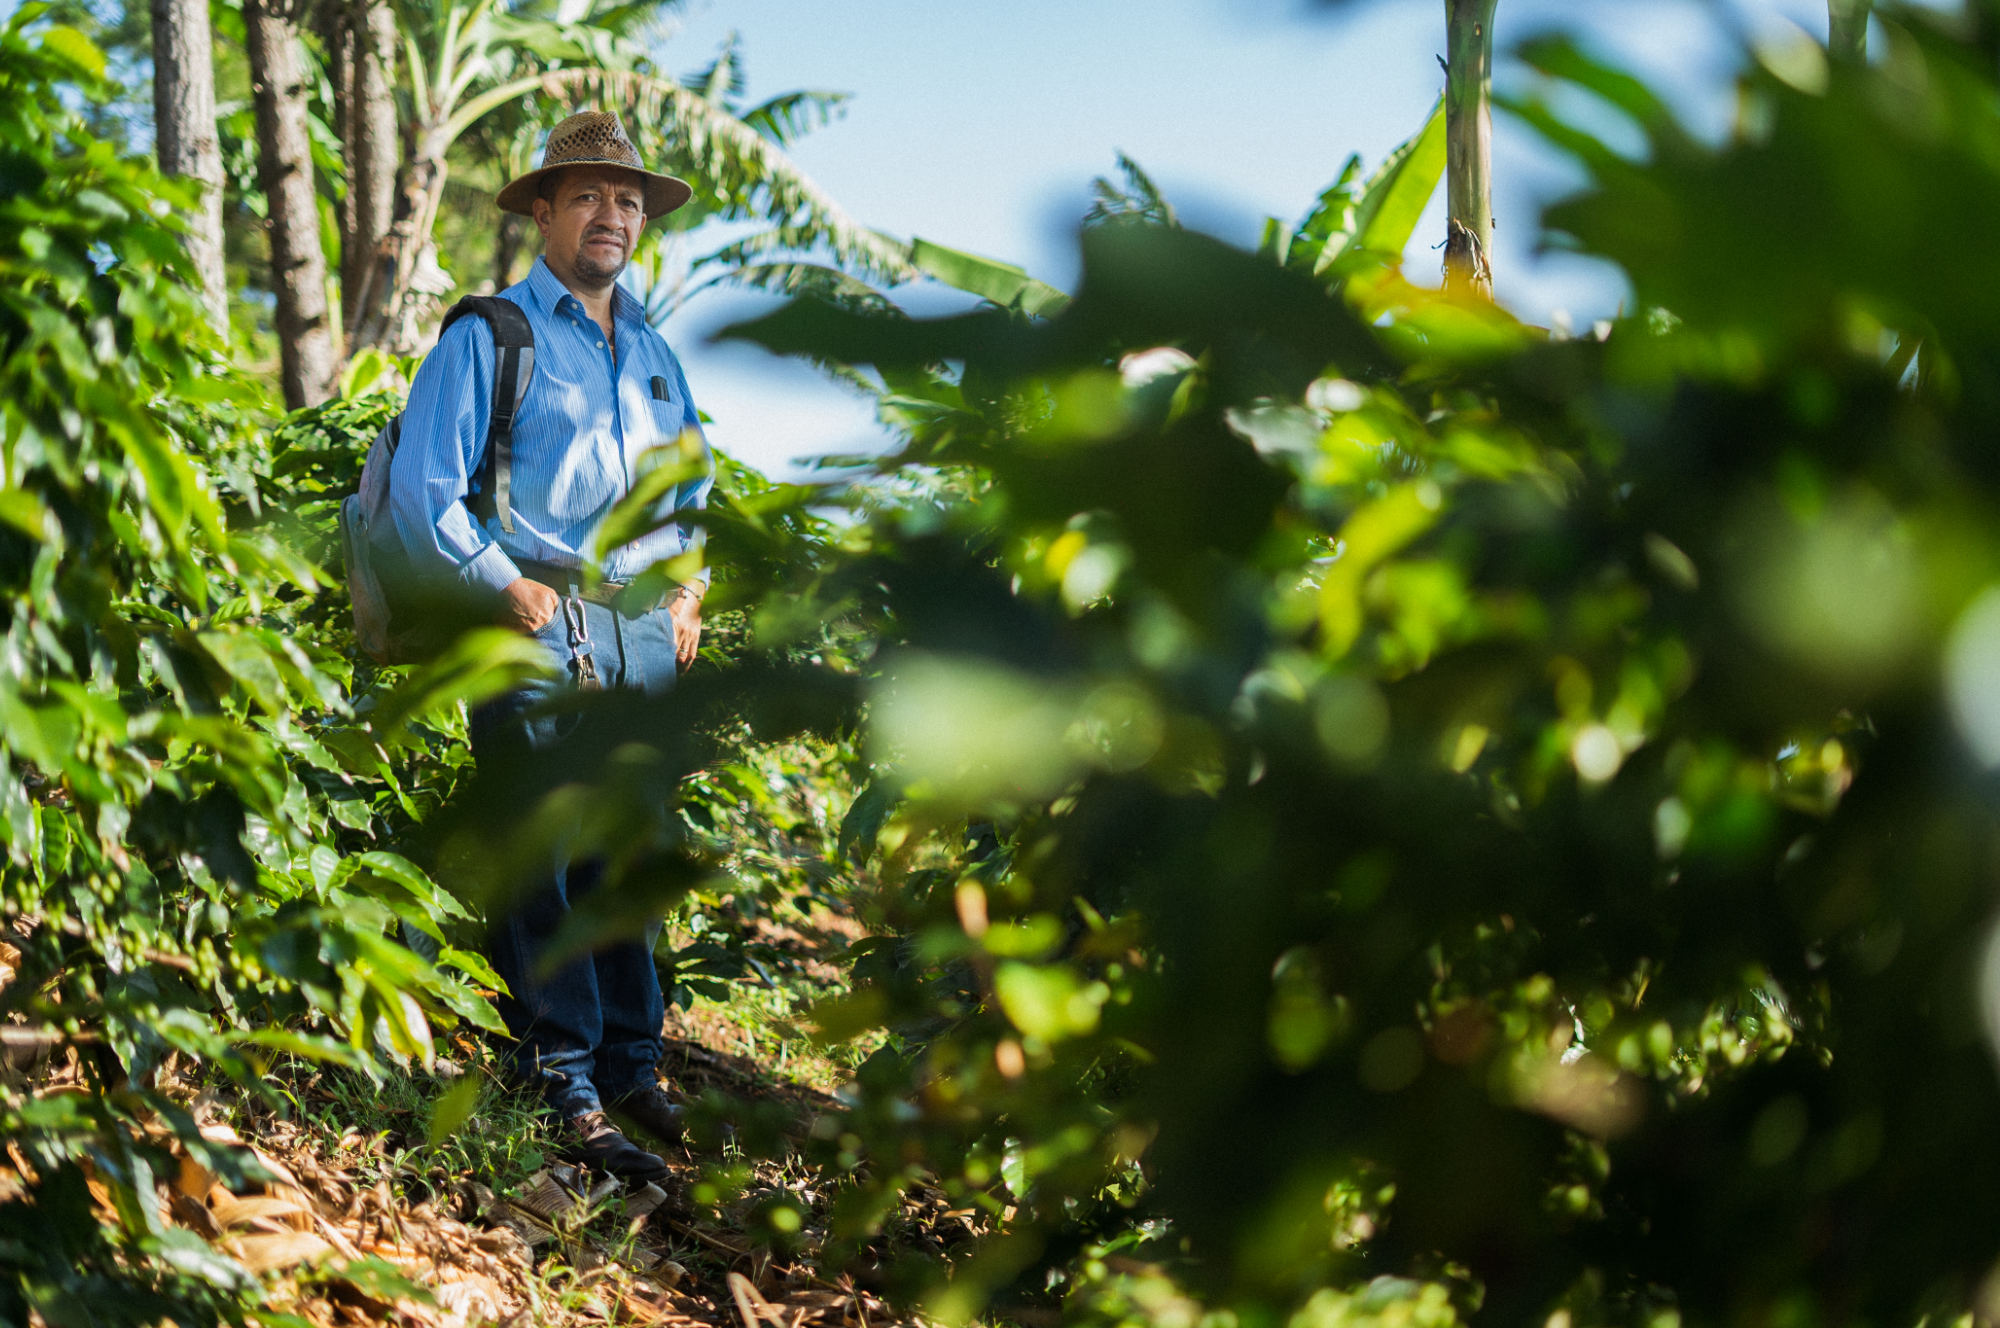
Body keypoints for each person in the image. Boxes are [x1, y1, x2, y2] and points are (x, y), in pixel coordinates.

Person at [388, 111, 711, 1182]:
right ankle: (560, 1071)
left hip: (639, 639)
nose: (609, 215)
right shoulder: (489, 335)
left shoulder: (657, 353)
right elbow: (425, 491)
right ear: (542, 210)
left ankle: (631, 1060)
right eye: (585, 196)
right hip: (536, 622)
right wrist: (505, 585)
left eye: (625, 199)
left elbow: (691, 494)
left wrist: (690, 591)